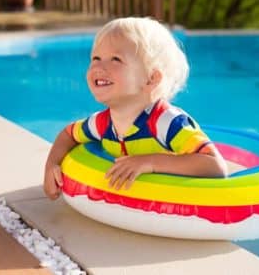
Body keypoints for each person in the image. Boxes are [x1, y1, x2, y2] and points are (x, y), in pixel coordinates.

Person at [43, 17, 227, 200]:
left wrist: (150, 162)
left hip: (171, 197)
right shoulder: (102, 123)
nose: (99, 66)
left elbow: (215, 165)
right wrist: (52, 164)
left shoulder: (166, 123)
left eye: (116, 59)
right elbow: (69, 134)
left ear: (150, 78)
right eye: (96, 58)